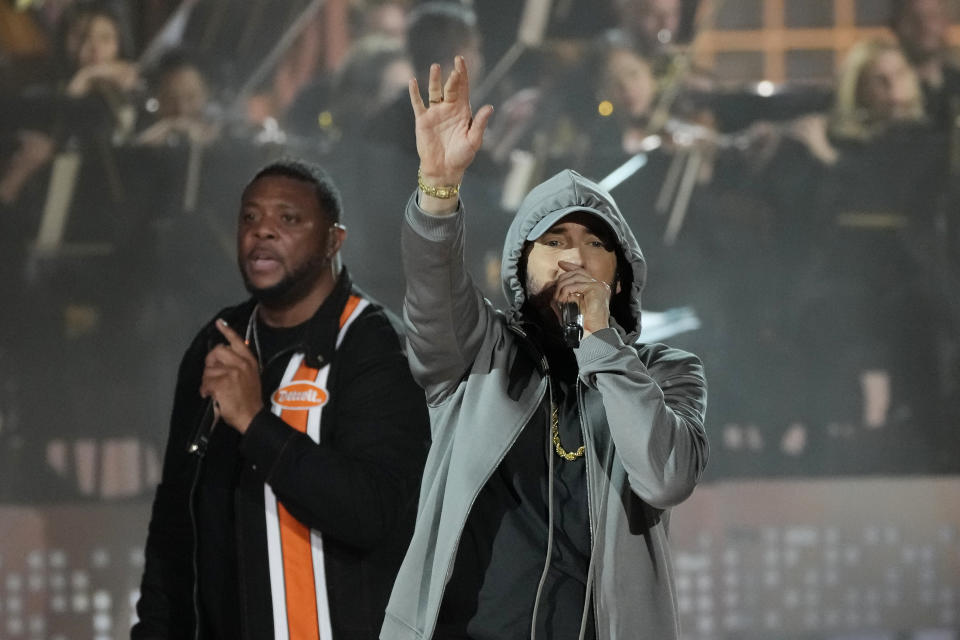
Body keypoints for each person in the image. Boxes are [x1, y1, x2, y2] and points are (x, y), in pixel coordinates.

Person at [382, 57, 708, 640]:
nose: (573, 258)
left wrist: (603, 343)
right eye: (554, 240)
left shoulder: (667, 373)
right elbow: (433, 294)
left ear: (621, 272)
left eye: (593, 244)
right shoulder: (480, 353)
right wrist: (438, 189)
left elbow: (665, 478)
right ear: (519, 265)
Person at [133, 159, 430, 639]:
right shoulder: (217, 343)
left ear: (335, 239)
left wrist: (255, 423)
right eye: (249, 218)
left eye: (288, 219)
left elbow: (374, 513)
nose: (262, 232)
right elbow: (174, 525)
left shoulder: (373, 345)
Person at [890, 0, 960, 130]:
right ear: (895, 24)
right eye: (913, 18)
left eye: (932, 16)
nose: (924, 25)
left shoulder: (957, 85)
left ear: (945, 22)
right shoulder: (887, 91)